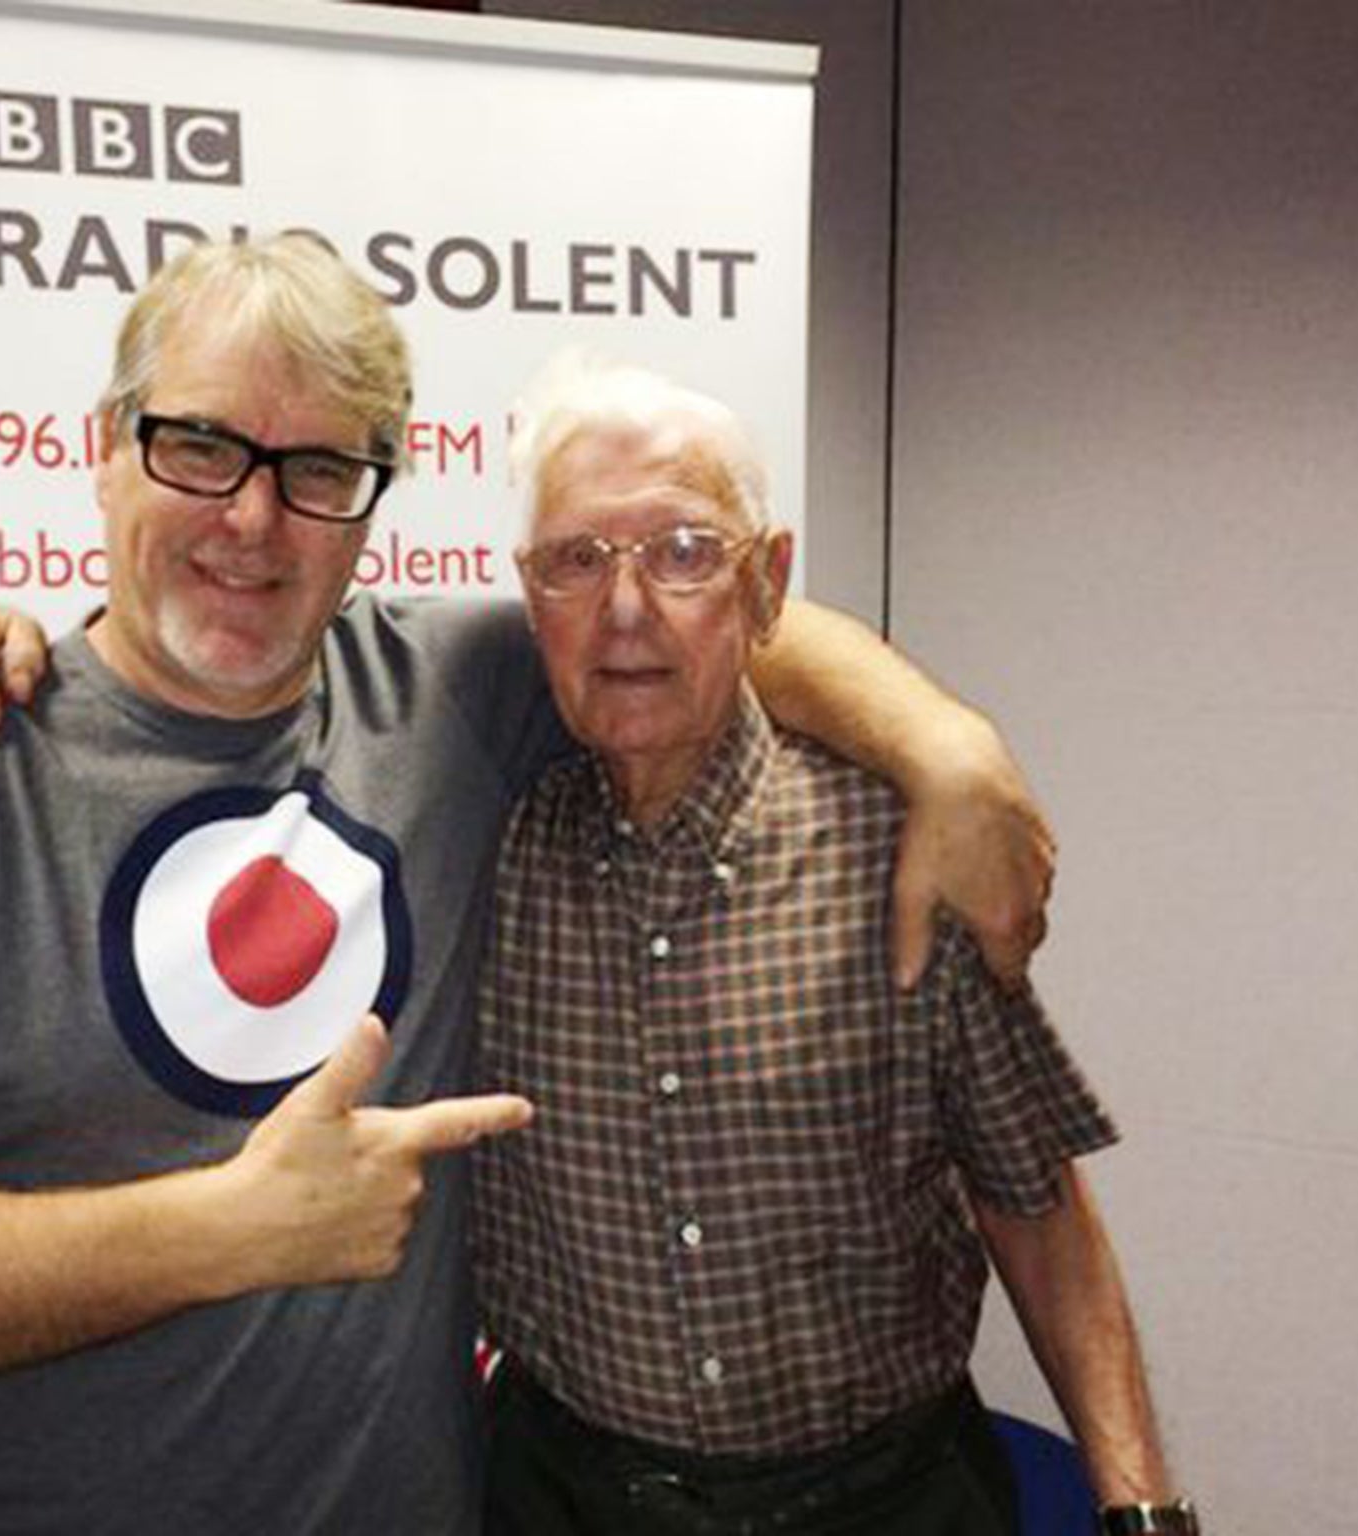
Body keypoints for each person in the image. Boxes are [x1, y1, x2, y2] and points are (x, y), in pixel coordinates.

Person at [0, 234, 1054, 1535]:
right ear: (104, 449)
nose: (253, 519)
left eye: (318, 469)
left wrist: (950, 750)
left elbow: (708, 620)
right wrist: (228, 1232)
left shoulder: (450, 694)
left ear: (371, 502)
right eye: (200, 446)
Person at [471, 356, 1193, 1535]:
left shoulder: (900, 853)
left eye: (684, 552)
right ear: (526, 594)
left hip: (882, 1500)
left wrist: (1140, 1509)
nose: (623, 609)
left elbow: (1036, 1208)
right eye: (575, 559)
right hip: (562, 1493)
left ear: (768, 586)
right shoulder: (478, 839)